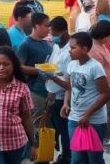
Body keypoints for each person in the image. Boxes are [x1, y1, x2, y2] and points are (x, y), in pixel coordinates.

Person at [56, 32, 110, 164]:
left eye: (73, 48)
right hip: (74, 119)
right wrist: (65, 103)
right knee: (77, 159)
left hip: (94, 122)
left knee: (94, 159)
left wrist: (87, 115)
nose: (70, 51)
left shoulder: (95, 67)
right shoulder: (72, 65)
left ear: (85, 49)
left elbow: (106, 94)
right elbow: (70, 87)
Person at [87, 21, 110, 154]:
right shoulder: (94, 49)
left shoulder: (101, 45)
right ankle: (103, 140)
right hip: (102, 89)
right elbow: (97, 73)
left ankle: (102, 140)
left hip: (109, 86)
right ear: (102, 35)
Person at [45, 17, 73, 164]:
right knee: (60, 130)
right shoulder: (56, 46)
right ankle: (65, 155)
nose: (52, 35)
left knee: (65, 131)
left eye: (54, 32)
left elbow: (69, 80)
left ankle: (67, 157)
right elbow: (52, 66)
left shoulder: (71, 49)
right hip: (53, 93)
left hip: (64, 96)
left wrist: (53, 78)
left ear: (63, 32)